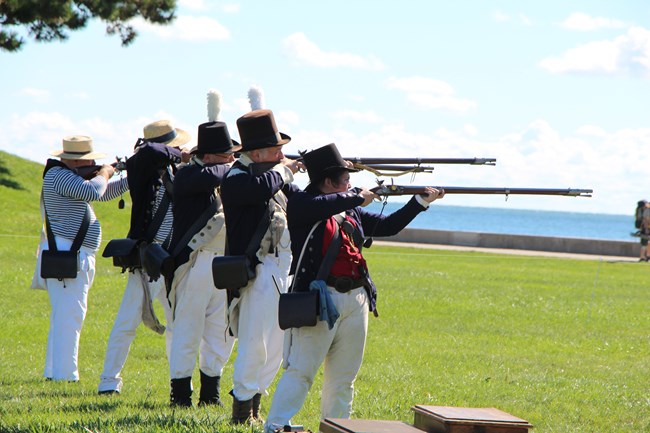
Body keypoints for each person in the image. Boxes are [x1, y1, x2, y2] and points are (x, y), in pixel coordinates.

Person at [263, 143, 443, 432]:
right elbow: (324, 206)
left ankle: (336, 427)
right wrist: (355, 198)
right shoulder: (304, 204)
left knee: (343, 378)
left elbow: (387, 226)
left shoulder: (349, 209)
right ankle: (275, 426)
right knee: (301, 371)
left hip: (356, 297)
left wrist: (418, 203)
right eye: (345, 179)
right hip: (318, 300)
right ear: (328, 182)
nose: (351, 183)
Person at [219, 109, 303, 423]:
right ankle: (242, 409)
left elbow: (301, 200)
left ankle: (255, 403)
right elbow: (261, 188)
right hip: (256, 272)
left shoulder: (270, 176)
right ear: (257, 154)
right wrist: (285, 169)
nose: (282, 155)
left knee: (278, 345)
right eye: (276, 150)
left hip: (281, 267)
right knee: (254, 344)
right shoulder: (237, 179)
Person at [98, 120, 191, 395]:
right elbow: (149, 153)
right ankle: (108, 382)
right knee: (127, 322)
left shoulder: (178, 172)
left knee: (178, 326)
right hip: (149, 258)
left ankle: (179, 383)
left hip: (173, 260)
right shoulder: (142, 167)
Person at [32, 135, 129, 382]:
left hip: (71, 254)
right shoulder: (58, 175)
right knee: (70, 317)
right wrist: (106, 172)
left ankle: (55, 373)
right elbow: (96, 190)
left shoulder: (67, 176)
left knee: (65, 317)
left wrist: (132, 177)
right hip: (68, 254)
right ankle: (66, 376)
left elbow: (105, 192)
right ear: (77, 162)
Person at [166, 118, 240, 407]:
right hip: (195, 263)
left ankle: (211, 394)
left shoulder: (223, 174)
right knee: (187, 331)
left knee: (220, 334)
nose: (232, 160)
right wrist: (238, 166)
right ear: (207, 157)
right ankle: (180, 396)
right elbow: (214, 176)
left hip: (224, 265)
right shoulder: (187, 175)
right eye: (227, 155)